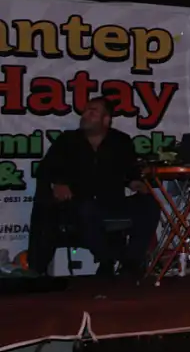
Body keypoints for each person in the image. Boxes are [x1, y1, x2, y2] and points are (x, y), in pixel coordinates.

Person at [27, 96, 160, 277]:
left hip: (112, 202)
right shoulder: (68, 140)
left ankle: (131, 261)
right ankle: (107, 259)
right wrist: (59, 183)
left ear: (106, 119)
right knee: (86, 209)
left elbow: (130, 171)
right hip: (77, 203)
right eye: (85, 111)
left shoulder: (120, 141)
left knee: (149, 204)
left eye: (93, 111)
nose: (85, 115)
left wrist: (135, 183)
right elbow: (46, 169)